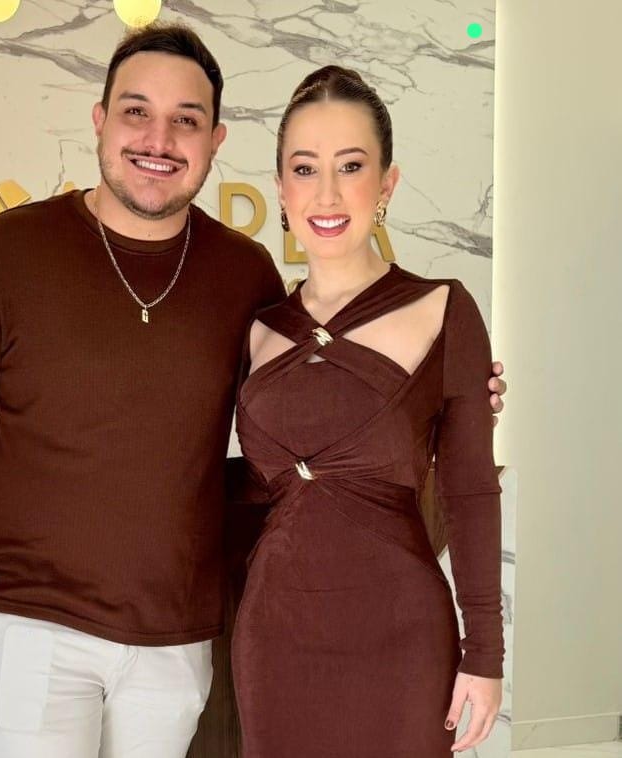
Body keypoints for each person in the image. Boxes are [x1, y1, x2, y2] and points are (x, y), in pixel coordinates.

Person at [0, 24, 507, 758]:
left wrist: (452, 395)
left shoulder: (244, 276)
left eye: (185, 120)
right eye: (136, 112)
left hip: (180, 636)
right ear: (100, 120)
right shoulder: (14, 248)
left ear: (214, 142)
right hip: (39, 622)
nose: (158, 139)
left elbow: (295, 447)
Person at [231, 65, 504, 757]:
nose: (326, 193)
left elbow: (471, 492)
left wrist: (485, 652)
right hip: (274, 641)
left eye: (350, 166)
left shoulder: (444, 308)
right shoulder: (256, 329)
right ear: (281, 188)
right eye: (305, 168)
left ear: (386, 184)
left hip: (402, 638)